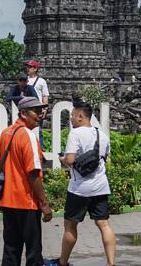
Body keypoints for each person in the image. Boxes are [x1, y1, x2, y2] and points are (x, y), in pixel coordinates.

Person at [49, 101, 115, 266]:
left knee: (70, 226)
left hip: (79, 189)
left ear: (80, 116)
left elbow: (70, 160)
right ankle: (110, 263)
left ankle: (62, 262)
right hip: (100, 187)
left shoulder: (76, 134)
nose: (71, 118)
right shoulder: (102, 135)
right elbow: (106, 158)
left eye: (72, 115)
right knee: (104, 224)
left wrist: (63, 159)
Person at [0, 96, 52, 266]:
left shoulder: (5, 133)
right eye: (36, 111)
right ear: (23, 113)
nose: (40, 115)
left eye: (41, 111)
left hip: (8, 200)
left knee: (11, 250)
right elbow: (33, 173)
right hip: (26, 201)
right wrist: (44, 203)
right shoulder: (28, 135)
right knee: (33, 252)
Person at [24, 60, 49, 147]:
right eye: (27, 67)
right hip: (26, 109)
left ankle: (40, 150)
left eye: (30, 67)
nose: (28, 69)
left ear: (35, 69)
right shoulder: (24, 80)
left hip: (37, 109)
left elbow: (45, 96)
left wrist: (45, 109)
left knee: (39, 131)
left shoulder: (41, 81)